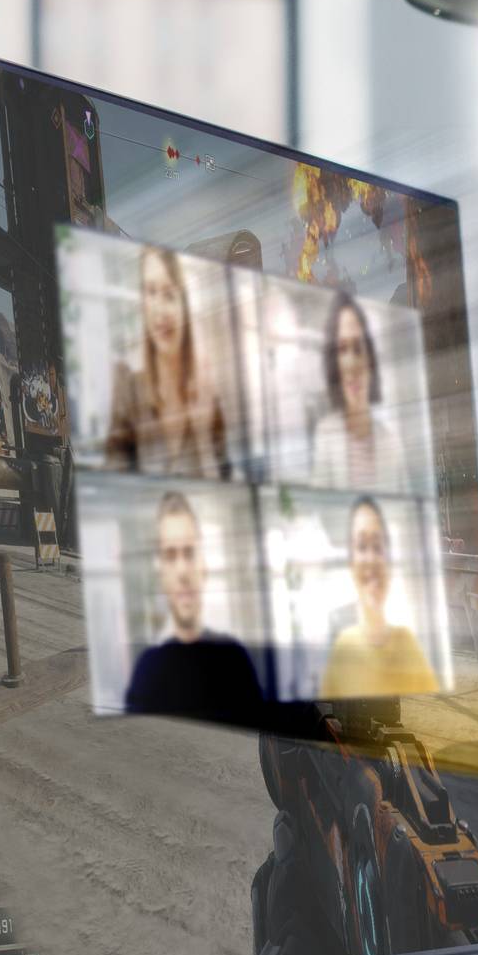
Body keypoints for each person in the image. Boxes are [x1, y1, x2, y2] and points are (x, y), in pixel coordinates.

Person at [123, 491, 269, 730]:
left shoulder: (235, 660)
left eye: (189, 553)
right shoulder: (146, 671)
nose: (182, 571)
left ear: (204, 565)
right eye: (170, 556)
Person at [102, 244, 233, 479]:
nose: (159, 310)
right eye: (150, 292)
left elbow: (225, 487)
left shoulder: (209, 394)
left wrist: (202, 432)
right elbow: (115, 483)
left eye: (169, 295)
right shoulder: (128, 389)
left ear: (186, 306)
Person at [321, 497, 442, 700]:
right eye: (361, 547)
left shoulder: (407, 642)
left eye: (378, 547)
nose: (371, 560)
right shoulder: (342, 645)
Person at [308, 294, 414, 490]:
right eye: (342, 350)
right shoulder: (325, 436)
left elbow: (407, 514)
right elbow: (318, 510)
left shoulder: (391, 441)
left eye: (358, 348)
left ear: (370, 360)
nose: (351, 364)